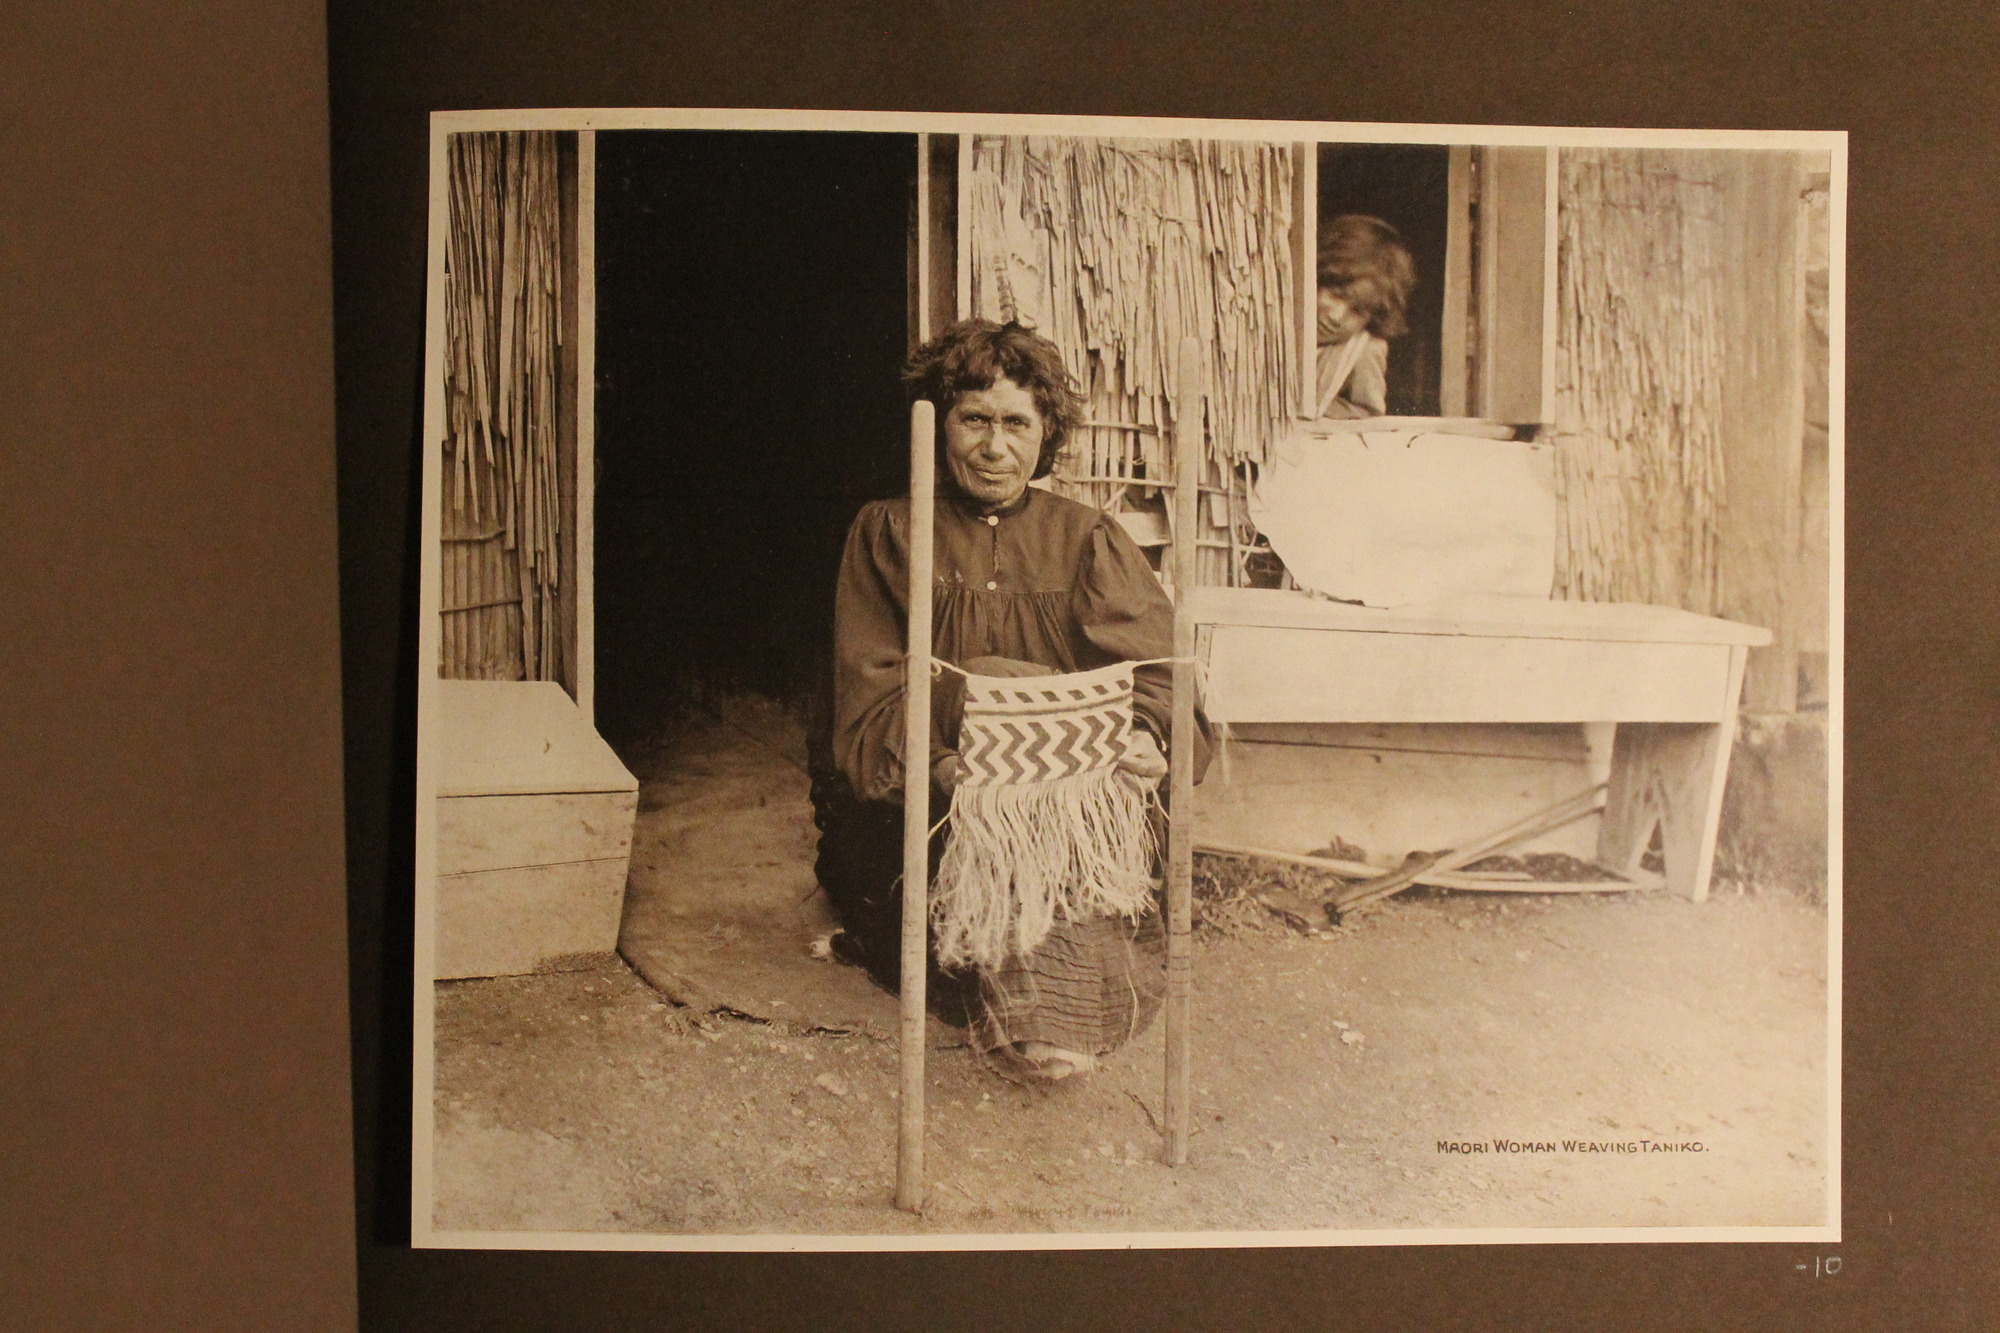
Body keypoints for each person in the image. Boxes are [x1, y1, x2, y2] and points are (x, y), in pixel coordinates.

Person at [807, 319, 1207, 1080]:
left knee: (1080, 882)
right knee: (964, 902)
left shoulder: (1087, 538)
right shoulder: (888, 532)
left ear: (1046, 432)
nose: (995, 447)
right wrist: (948, 769)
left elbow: (1164, 672)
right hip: (930, 803)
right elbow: (865, 699)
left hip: (1066, 799)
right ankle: (1032, 1004)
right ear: (941, 426)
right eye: (975, 420)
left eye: (1016, 423)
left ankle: (1050, 1008)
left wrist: (1148, 737)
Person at [1313, 214, 1417, 419]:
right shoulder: (1276, 323)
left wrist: (1320, 408)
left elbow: (1369, 416)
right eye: (1336, 295)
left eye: (1357, 311)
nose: (1337, 316)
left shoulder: (1363, 351)